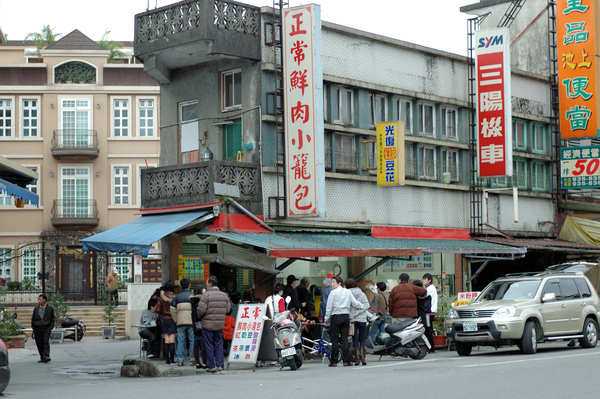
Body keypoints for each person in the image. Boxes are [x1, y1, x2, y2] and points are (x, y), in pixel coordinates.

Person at [324, 276, 364, 367]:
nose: (332, 284)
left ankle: (333, 361)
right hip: (345, 317)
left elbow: (329, 307)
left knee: (334, 340)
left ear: (339, 283)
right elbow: (354, 303)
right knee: (344, 339)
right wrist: (362, 306)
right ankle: (346, 361)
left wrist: (326, 318)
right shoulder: (348, 292)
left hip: (335, 317)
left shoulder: (333, 293)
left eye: (334, 282)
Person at [197, 275, 230, 373]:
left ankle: (211, 366)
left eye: (207, 282)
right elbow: (228, 309)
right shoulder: (224, 295)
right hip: (219, 324)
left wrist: (200, 317)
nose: (206, 284)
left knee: (209, 344)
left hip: (208, 324)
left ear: (210, 284)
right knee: (219, 344)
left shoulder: (205, 295)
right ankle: (220, 365)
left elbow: (201, 310)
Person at [346, 278, 370, 366]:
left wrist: (353, 313)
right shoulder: (362, 294)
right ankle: (363, 358)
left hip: (352, 319)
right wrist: (359, 312)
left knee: (355, 338)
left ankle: (357, 359)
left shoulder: (347, 294)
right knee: (362, 338)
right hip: (362, 319)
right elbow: (367, 305)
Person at [171, 278, 194, 366]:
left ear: (181, 286)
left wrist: (177, 320)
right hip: (191, 322)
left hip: (180, 323)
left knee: (181, 341)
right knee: (192, 340)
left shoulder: (177, 297)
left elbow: (172, 310)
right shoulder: (193, 296)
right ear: (189, 285)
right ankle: (192, 358)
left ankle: (180, 360)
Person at [156, 281, 176, 365]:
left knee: (166, 339)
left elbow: (157, 309)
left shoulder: (161, 297)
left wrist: (162, 313)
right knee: (172, 340)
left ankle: (166, 359)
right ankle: (172, 359)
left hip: (164, 319)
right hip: (172, 319)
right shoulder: (175, 297)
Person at [31, 293, 55, 363]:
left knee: (45, 341)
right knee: (39, 342)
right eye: (38, 299)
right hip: (37, 327)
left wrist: (51, 326)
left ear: (44, 300)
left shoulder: (49, 308)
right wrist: (33, 327)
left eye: (40, 299)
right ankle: (42, 356)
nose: (39, 301)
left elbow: (52, 318)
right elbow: (33, 318)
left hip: (46, 327)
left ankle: (46, 355)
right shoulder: (36, 308)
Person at [191, 284, 206, 369]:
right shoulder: (202, 300)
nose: (205, 290)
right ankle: (204, 362)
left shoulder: (192, 300)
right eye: (204, 289)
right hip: (202, 323)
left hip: (195, 324)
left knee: (196, 344)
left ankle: (197, 362)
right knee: (203, 344)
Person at [423, 273, 438, 354]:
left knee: (428, 330)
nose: (423, 280)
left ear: (429, 280)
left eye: (425, 279)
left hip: (429, 312)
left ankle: (431, 347)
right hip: (430, 312)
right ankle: (430, 347)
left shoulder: (430, 288)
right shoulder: (429, 287)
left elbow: (424, 297)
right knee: (429, 329)